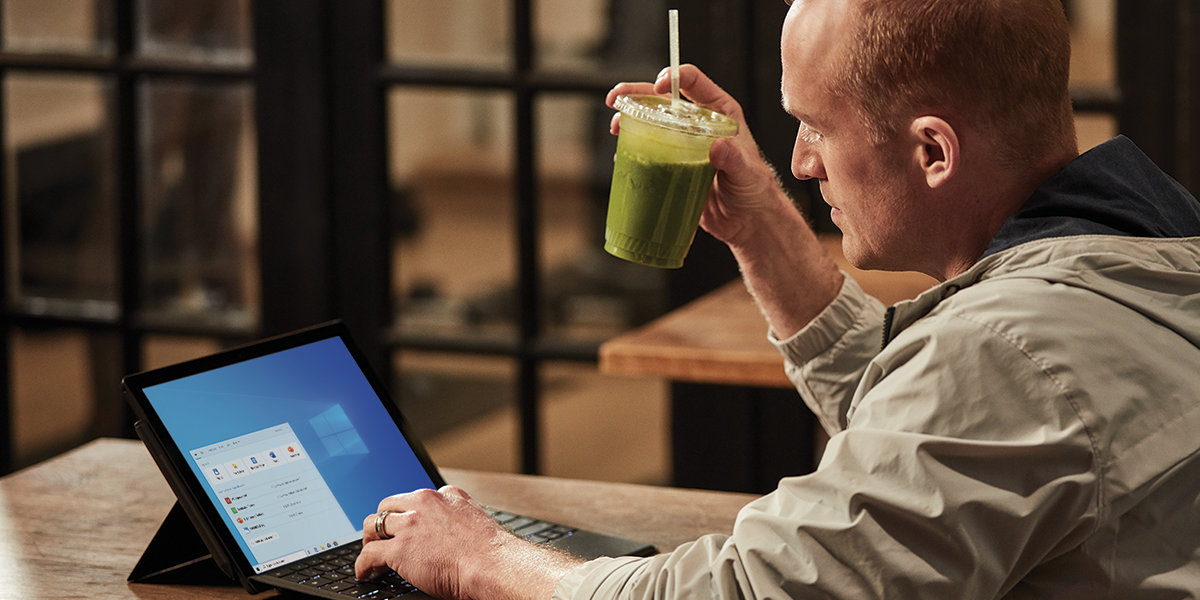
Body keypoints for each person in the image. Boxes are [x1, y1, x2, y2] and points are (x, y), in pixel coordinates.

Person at [355, 0, 1200, 597]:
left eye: (818, 126)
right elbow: (930, 422)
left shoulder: (1008, 353)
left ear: (933, 151)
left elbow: (752, 593)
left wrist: (482, 559)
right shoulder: (1149, 249)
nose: (801, 162)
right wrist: (760, 220)